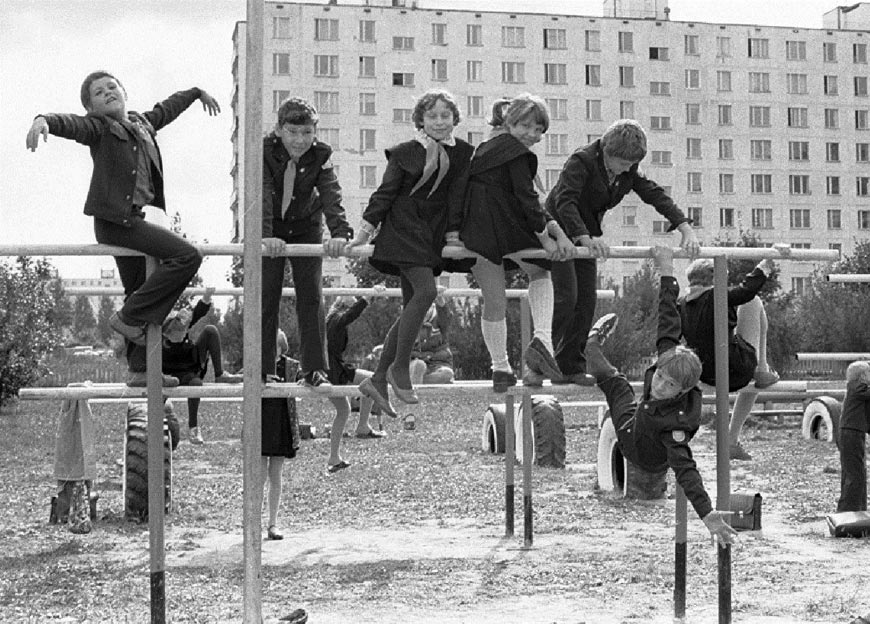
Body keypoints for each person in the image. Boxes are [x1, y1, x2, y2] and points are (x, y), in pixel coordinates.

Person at [26, 71, 220, 387]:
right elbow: (72, 124)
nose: (107, 93)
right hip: (117, 221)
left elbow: (167, 108)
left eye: (112, 87)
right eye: (98, 93)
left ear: (124, 92)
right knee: (188, 256)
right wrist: (43, 120)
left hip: (144, 219)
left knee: (138, 290)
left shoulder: (143, 123)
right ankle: (129, 318)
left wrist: (197, 91)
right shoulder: (99, 128)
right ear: (92, 108)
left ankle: (139, 369)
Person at [586, 246, 737, 545]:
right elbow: (669, 319)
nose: (659, 384)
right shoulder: (668, 363)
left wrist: (707, 515)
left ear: (682, 391)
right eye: (660, 376)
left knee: (618, 386)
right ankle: (592, 343)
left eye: (668, 385)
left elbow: (686, 471)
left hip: (640, 448)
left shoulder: (675, 425)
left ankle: (590, 345)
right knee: (617, 378)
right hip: (644, 415)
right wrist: (666, 271)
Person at [546, 119, 701, 386]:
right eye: (623, 164)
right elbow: (565, 201)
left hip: (587, 238)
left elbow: (654, 194)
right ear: (607, 151)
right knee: (566, 297)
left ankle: (570, 366)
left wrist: (685, 227)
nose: (627, 170)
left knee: (585, 302)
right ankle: (544, 359)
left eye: (631, 165)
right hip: (557, 231)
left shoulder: (628, 170)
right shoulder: (581, 161)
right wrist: (583, 237)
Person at [346, 89, 474, 409]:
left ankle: (377, 378)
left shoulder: (462, 154)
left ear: (455, 119)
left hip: (429, 236)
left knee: (411, 310)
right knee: (427, 293)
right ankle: (399, 368)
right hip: (402, 230)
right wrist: (364, 232)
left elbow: (459, 196)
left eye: (446, 115)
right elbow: (385, 193)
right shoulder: (405, 152)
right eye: (432, 116)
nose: (440, 122)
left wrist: (455, 234)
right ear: (420, 120)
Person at [458, 94, 574, 392]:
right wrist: (547, 241)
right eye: (525, 126)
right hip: (504, 225)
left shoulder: (485, 147)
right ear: (509, 122)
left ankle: (500, 368)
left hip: (475, 229)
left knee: (494, 301)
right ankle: (543, 342)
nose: (532, 135)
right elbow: (527, 200)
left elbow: (525, 198)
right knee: (540, 270)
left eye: (538, 129)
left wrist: (556, 230)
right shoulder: (517, 153)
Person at [261, 96, 352, 390]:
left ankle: (314, 369)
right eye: (292, 132)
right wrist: (265, 235)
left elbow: (330, 194)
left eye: (307, 133)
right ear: (278, 130)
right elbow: (261, 192)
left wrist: (339, 233)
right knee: (267, 294)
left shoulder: (321, 154)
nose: (300, 140)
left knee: (311, 295)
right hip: (271, 225)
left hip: (305, 226)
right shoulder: (263, 151)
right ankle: (262, 368)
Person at [679, 255, 783, 460]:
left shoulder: (682, 303)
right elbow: (747, 290)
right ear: (714, 281)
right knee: (753, 301)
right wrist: (765, 265)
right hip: (734, 371)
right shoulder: (715, 296)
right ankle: (762, 369)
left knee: (726, 340)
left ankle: (732, 440)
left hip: (704, 374)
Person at [161, 287, 242, 445]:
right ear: (167, 334)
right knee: (158, 391)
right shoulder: (159, 337)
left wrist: (206, 296)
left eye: (185, 333)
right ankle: (154, 423)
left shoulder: (183, 327)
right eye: (179, 335)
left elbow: (198, 313)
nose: (183, 336)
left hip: (190, 370)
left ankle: (193, 428)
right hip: (168, 374)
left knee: (210, 330)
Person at [324, 290, 388, 474]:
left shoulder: (332, 319)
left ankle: (335, 457)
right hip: (333, 370)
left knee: (344, 409)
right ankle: (362, 426)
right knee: (371, 382)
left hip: (335, 367)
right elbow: (350, 316)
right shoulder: (336, 319)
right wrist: (366, 299)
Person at [261, 330, 302, 541]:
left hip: (281, 424)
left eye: (274, 346)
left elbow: (306, 380)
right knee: (257, 477)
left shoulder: (292, 366)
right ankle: (253, 522)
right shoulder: (256, 365)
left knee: (275, 476)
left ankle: (272, 523)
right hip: (260, 425)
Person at [836, 360, 870, 512]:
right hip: (851, 432)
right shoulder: (857, 388)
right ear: (863, 376)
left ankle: (857, 509)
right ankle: (850, 510)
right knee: (855, 473)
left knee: (856, 471)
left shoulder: (858, 389)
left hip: (852, 431)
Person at [409, 285, 455, 386]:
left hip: (438, 364)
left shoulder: (439, 319)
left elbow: (446, 316)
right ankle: (415, 394)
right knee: (419, 365)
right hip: (415, 364)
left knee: (447, 374)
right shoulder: (408, 321)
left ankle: (418, 382)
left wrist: (439, 298)